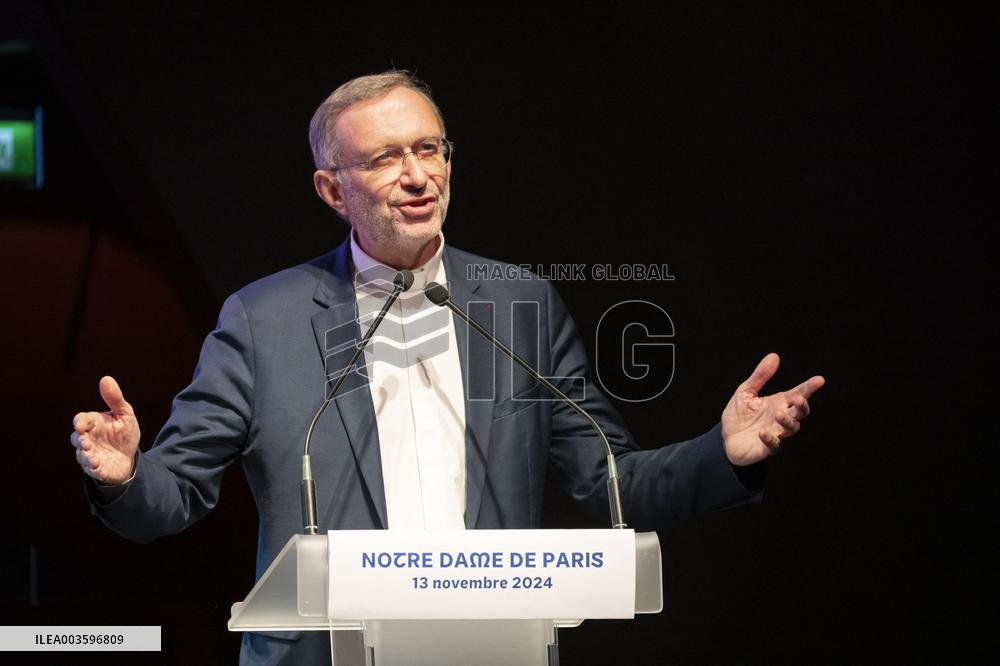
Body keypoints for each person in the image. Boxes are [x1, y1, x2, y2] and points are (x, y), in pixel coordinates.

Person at [70, 71, 825, 665]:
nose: (417, 175)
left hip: (491, 649)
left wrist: (721, 453)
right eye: (385, 158)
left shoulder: (519, 305)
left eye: (429, 149)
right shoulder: (264, 320)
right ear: (332, 190)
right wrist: (125, 476)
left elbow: (609, 483)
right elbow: (173, 493)